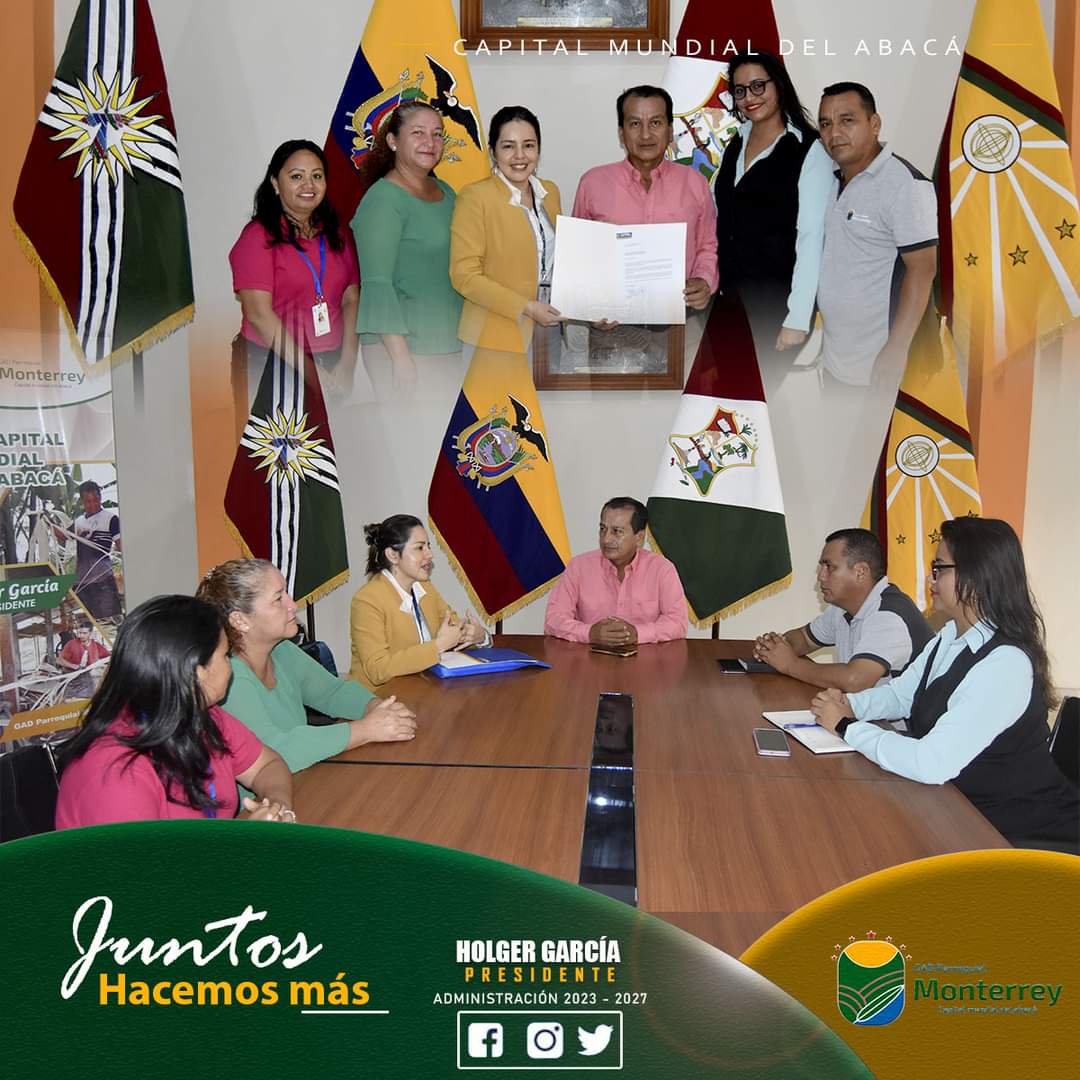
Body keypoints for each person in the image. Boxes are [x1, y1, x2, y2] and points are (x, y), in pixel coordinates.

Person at [811, 518, 1080, 850]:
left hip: (1014, 835)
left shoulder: (1005, 663)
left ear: (975, 575)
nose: (930, 579)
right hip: (956, 810)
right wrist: (849, 705)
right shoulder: (950, 635)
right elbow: (901, 695)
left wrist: (846, 726)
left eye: (939, 569)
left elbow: (931, 763)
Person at [55, 596, 295, 828]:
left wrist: (277, 805)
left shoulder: (201, 716)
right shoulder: (116, 772)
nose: (230, 664)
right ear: (198, 672)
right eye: (225, 655)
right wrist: (246, 843)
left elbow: (266, 765)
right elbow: (143, 857)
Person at [197, 559, 417, 771]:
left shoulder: (282, 651)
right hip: (268, 794)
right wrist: (365, 730)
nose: (293, 605)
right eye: (278, 599)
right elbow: (273, 751)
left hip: (301, 777)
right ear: (240, 620)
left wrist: (376, 707)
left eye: (286, 593)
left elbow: (332, 693)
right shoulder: (229, 677)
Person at [815, 83, 938, 387]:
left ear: (874, 124)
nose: (834, 133)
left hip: (880, 367)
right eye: (826, 124)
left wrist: (897, 350)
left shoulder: (905, 184)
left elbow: (923, 270)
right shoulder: (829, 178)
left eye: (847, 120)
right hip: (836, 361)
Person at [712, 50, 833, 355]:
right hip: (729, 303)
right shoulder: (736, 141)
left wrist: (798, 317)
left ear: (778, 85)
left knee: (766, 386)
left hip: (778, 306)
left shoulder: (809, 150)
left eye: (758, 86)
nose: (749, 97)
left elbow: (812, 237)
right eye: (740, 90)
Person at [350, 102, 464, 398]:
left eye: (437, 134)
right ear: (392, 141)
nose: (430, 142)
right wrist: (400, 358)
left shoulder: (447, 193)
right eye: (418, 133)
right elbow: (377, 284)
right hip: (403, 352)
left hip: (447, 345)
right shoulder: (382, 200)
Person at [572, 85, 718, 313]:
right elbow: (579, 255)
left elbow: (707, 246)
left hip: (683, 316)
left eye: (656, 123)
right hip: (612, 320)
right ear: (621, 133)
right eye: (635, 124)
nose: (646, 135)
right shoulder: (592, 184)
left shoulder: (695, 183)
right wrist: (591, 307)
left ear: (670, 130)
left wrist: (704, 280)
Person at [229, 139, 359, 390]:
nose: (308, 185)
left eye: (317, 176)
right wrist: (311, 372)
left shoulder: (336, 233)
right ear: (275, 183)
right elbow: (259, 315)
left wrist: (347, 362)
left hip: (332, 362)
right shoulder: (257, 237)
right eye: (297, 176)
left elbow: (351, 299)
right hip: (271, 363)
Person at [755, 528, 932, 692]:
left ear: (861, 572)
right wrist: (775, 647)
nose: (820, 576)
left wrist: (790, 665)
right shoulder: (842, 607)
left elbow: (855, 680)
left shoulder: (889, 615)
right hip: (866, 711)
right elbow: (805, 639)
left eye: (829, 567)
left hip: (902, 717)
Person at [450, 105, 562, 355]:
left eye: (528, 145)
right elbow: (464, 276)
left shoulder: (550, 192)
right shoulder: (475, 197)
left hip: (549, 330)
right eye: (508, 146)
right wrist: (526, 307)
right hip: (494, 337)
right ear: (493, 152)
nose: (520, 156)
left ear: (538, 150)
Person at [349, 515, 488, 689]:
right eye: (420, 548)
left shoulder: (425, 587)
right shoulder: (367, 601)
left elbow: (454, 630)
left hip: (422, 688)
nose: (429, 555)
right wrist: (438, 646)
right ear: (393, 555)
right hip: (379, 698)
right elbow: (378, 670)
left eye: (428, 546)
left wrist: (479, 636)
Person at [545, 497, 687, 646]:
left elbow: (678, 622)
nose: (606, 539)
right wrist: (589, 633)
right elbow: (553, 619)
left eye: (617, 531)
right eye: (603, 529)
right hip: (589, 656)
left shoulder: (661, 569)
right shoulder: (579, 567)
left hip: (645, 657)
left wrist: (638, 634)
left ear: (639, 538)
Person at [62, 480, 122, 621]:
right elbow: (62, 534)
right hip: (81, 583)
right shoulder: (79, 522)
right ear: (82, 502)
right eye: (88, 501)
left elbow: (121, 546)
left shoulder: (111, 519)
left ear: (100, 498)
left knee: (109, 622)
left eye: (96, 500)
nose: (93, 504)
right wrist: (46, 520)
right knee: (86, 624)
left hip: (103, 581)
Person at [57, 619, 110, 700]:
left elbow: (108, 658)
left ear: (91, 633)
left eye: (84, 633)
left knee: (89, 699)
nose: (81, 636)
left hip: (87, 679)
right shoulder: (71, 644)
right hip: (72, 679)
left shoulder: (96, 646)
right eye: (80, 633)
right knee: (71, 701)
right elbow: (59, 660)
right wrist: (74, 666)